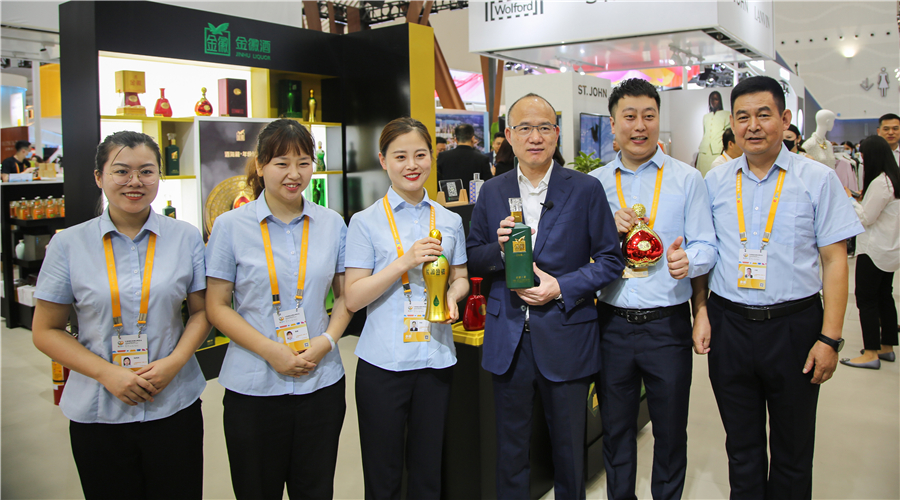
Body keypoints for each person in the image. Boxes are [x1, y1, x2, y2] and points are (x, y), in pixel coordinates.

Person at [700, 76, 863, 499]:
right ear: (732, 124)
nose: (753, 125)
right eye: (743, 117)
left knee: (793, 451)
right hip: (730, 326)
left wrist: (830, 338)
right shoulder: (716, 181)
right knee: (742, 448)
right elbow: (705, 252)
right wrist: (701, 312)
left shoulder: (817, 179)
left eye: (764, 114)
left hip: (794, 328)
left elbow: (835, 261)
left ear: (785, 119)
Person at [32, 131, 210, 499]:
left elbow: (202, 312)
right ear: (99, 177)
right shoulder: (68, 244)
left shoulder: (186, 237)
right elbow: (46, 330)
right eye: (121, 171)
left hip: (173, 402)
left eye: (146, 171)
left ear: (159, 176)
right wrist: (106, 373)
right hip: (99, 409)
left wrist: (174, 363)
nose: (135, 181)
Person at [466, 93, 623, 499]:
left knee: (569, 451)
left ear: (556, 133)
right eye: (524, 128)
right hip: (508, 339)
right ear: (508, 136)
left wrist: (561, 286)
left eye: (543, 128)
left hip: (567, 334)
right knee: (510, 450)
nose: (534, 137)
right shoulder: (492, 191)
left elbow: (611, 260)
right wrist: (502, 252)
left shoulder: (585, 189)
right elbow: (473, 256)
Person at [205, 119, 352, 499]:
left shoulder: (332, 224)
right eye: (281, 163)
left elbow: (345, 298)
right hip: (254, 385)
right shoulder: (229, 226)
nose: (294, 174)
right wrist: (271, 350)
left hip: (320, 382)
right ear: (260, 165)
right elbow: (217, 306)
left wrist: (326, 341)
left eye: (303, 163)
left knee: (315, 489)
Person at [590, 78, 717, 500]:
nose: (640, 125)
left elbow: (707, 244)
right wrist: (607, 230)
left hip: (668, 326)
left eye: (649, 115)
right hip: (611, 324)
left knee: (670, 431)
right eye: (629, 116)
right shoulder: (594, 185)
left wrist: (689, 261)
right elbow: (579, 253)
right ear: (613, 124)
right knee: (616, 432)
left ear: (659, 119)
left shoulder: (687, 179)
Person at [344, 117, 469, 500]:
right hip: (383, 364)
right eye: (400, 156)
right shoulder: (365, 222)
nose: (412, 165)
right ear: (383, 160)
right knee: (382, 476)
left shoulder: (449, 220)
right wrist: (404, 261)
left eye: (420, 154)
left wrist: (453, 297)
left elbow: (461, 277)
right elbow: (353, 297)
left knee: (428, 472)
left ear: (432, 156)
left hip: (435, 358)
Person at [839, 135, 899, 369]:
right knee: (884, 296)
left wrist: (849, 199)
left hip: (873, 251)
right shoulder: (893, 179)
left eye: (863, 156)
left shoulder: (881, 183)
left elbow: (865, 217)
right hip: (890, 250)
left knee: (866, 300)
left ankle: (871, 352)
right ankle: (886, 347)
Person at [697, 90, 730, 177]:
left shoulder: (727, 114)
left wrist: (724, 149)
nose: (713, 102)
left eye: (716, 99)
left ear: (720, 101)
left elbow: (727, 134)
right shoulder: (706, 117)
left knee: (716, 174)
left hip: (717, 150)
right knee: (702, 175)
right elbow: (705, 134)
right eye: (711, 100)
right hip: (703, 151)